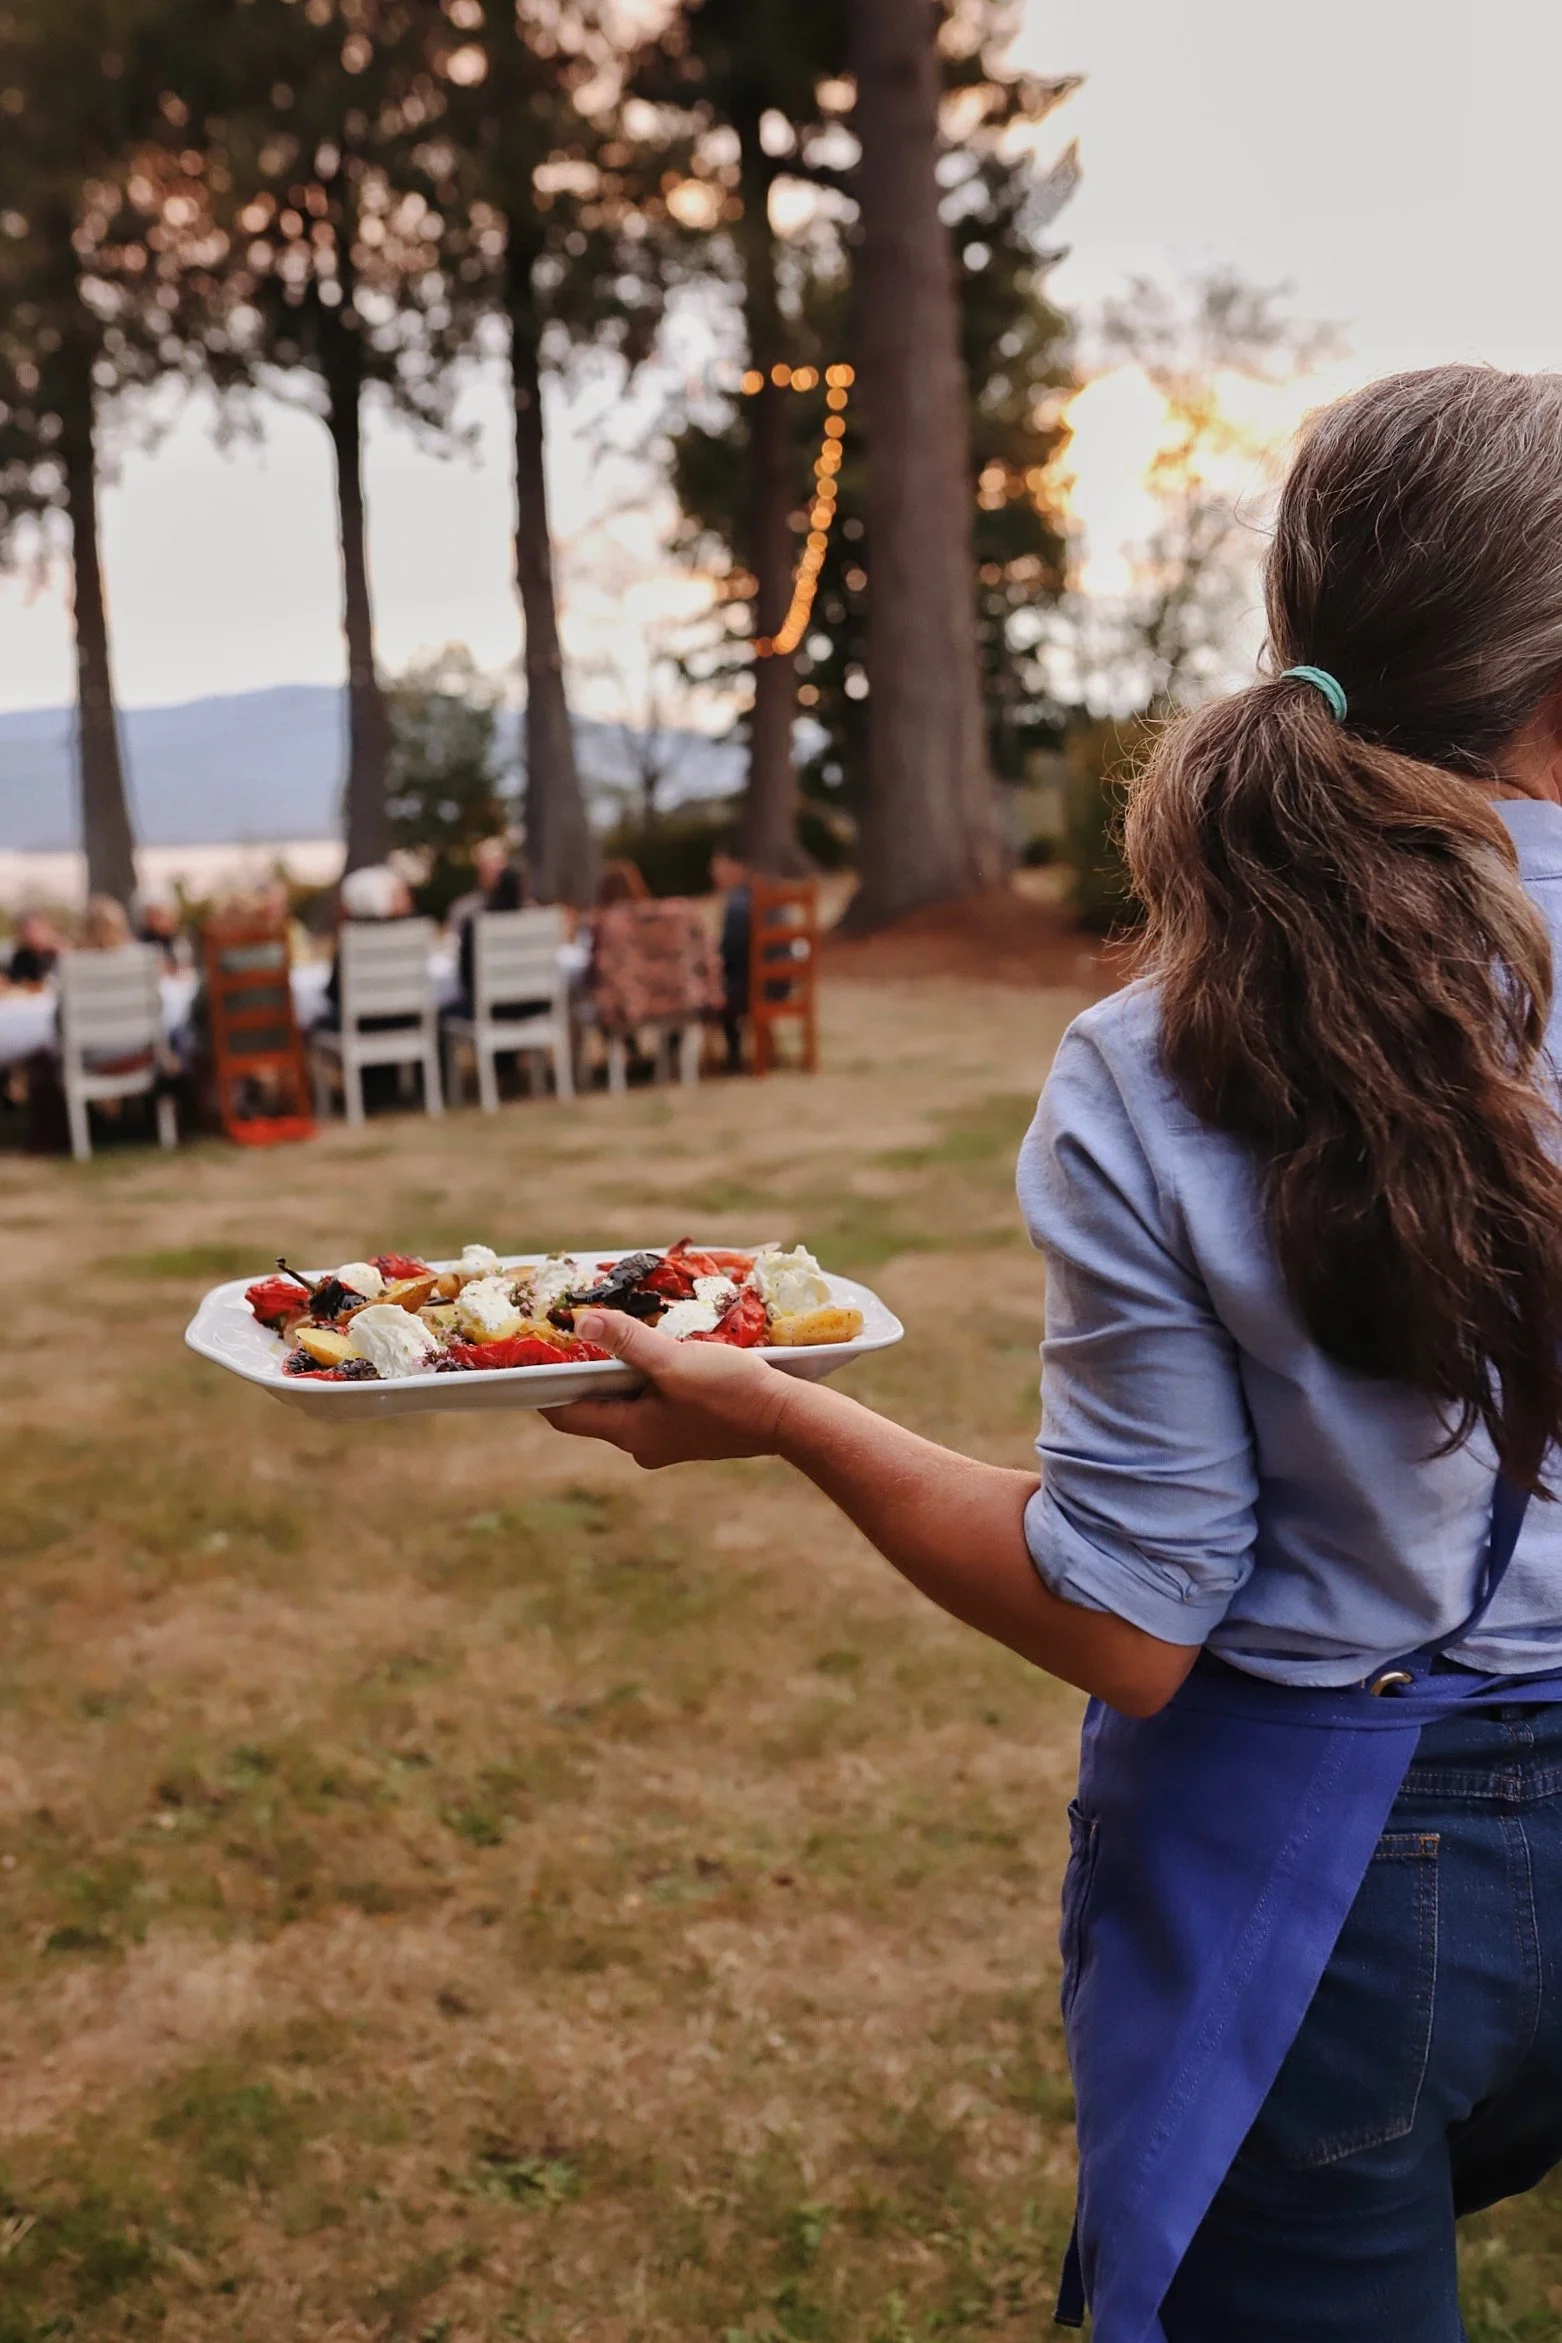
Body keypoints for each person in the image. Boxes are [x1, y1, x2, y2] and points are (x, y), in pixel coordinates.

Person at [541, 366, 1562, 2341]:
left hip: (1327, 1898)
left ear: (1299, 635)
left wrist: (796, 1422)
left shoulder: (1155, 1058)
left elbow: (1130, 1618)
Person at [709, 845, 750, 1071]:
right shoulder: (769, 893)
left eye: (718, 867)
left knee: (716, 993)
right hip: (780, 984)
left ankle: (733, 1055)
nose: (714, 875)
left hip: (748, 987)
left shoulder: (737, 904)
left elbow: (729, 952)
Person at [6, 910, 60, 986]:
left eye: (35, 930)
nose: (31, 935)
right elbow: (14, 980)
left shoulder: (59, 955)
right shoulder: (21, 956)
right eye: (26, 930)